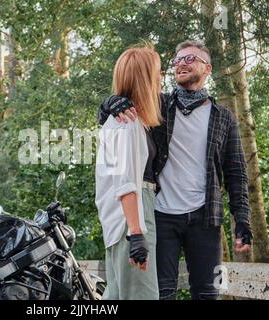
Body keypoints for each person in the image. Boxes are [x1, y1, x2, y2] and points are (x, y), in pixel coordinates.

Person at [98, 40, 253, 300]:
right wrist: (109, 104)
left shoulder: (223, 117)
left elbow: (236, 173)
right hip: (161, 214)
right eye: (177, 60)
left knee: (209, 292)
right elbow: (121, 116)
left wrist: (243, 220)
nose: (181, 63)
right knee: (160, 292)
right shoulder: (157, 106)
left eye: (190, 58)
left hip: (206, 217)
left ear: (207, 68)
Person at [95, 45, 162, 300]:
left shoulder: (125, 120)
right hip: (132, 216)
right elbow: (125, 183)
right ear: (145, 79)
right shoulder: (127, 123)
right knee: (140, 295)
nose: (160, 78)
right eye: (157, 73)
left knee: (116, 296)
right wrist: (136, 233)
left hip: (121, 219)